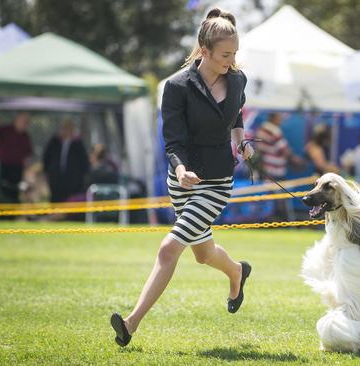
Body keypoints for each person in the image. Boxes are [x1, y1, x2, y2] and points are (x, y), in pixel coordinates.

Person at [110, 8, 254, 348]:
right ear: (204, 51)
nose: (231, 61)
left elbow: (237, 113)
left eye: (234, 54)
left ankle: (130, 324)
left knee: (168, 248)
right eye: (224, 55)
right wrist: (179, 169)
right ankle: (236, 271)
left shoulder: (237, 79)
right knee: (202, 254)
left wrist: (241, 142)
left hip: (217, 182)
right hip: (182, 180)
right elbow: (173, 140)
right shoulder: (176, 87)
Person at [42, 119, 90, 203]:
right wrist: (47, 172)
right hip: (56, 179)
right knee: (56, 201)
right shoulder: (54, 142)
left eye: (69, 128)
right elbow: (46, 158)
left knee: (70, 202)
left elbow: (84, 162)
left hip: (73, 181)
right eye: (64, 128)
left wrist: (82, 178)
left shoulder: (78, 143)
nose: (66, 131)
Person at [0, 112, 33, 202]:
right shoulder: (5, 130)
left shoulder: (25, 136)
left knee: (15, 189)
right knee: (3, 187)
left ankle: (13, 208)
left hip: (17, 168)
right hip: (2, 165)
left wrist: (27, 171)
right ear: (16, 120)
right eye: (23, 121)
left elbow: (28, 155)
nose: (25, 124)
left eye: (27, 122)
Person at [255, 112, 305, 179]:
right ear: (273, 117)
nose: (281, 119)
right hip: (274, 171)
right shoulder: (273, 131)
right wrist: (296, 160)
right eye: (280, 116)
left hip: (264, 168)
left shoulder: (261, 128)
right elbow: (284, 150)